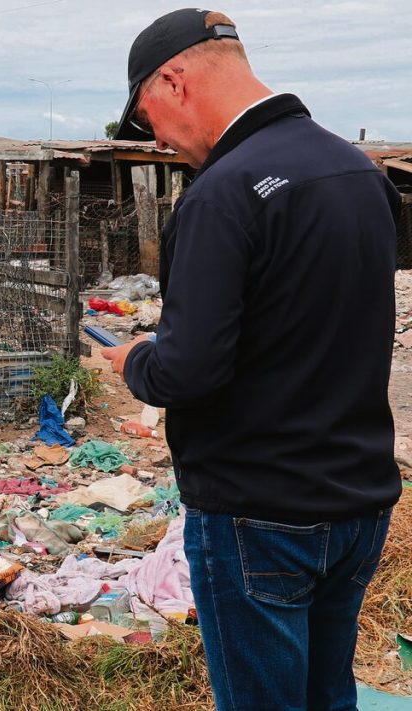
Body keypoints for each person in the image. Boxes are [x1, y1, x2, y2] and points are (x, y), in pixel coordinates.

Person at [102, 9, 401, 711]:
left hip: (260, 513)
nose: (159, 141)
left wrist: (136, 359)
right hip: (358, 503)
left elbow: (188, 371)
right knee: (329, 696)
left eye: (146, 119)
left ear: (174, 81)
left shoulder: (223, 194)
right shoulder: (357, 172)